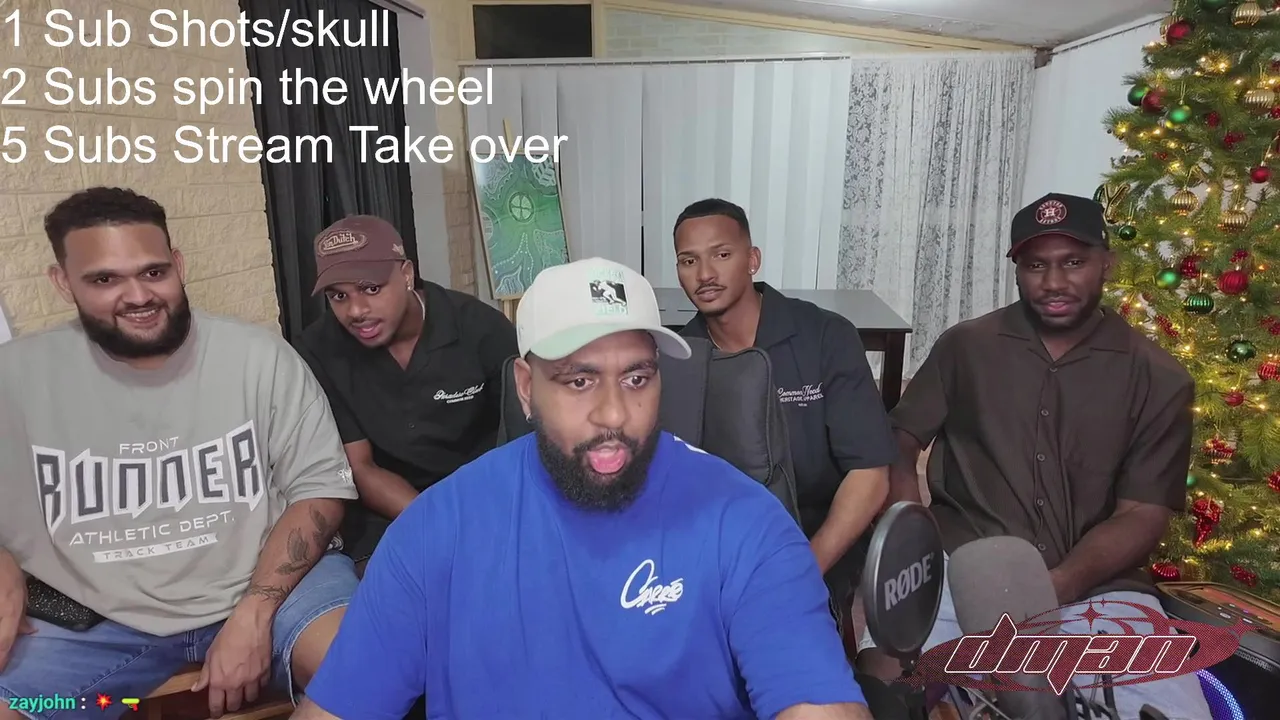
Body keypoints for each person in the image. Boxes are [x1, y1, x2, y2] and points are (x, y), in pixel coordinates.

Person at [291, 257, 873, 720]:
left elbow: (816, 700)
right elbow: (341, 706)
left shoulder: (745, 523)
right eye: (578, 381)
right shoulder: (438, 528)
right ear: (526, 388)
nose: (613, 414)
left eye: (637, 378)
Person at [0, 187, 360, 720]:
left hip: (273, 584)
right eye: (104, 280)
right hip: (97, 616)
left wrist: (255, 611)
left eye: (153, 272)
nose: (138, 296)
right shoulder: (15, 378)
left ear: (178, 265)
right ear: (62, 282)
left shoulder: (257, 356)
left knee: (367, 676)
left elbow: (320, 488)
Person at [856, 194, 1213, 720]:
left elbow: (1143, 512)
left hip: (1098, 591)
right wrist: (912, 534)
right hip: (960, 568)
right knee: (878, 694)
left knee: (1173, 711)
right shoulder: (966, 347)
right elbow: (900, 438)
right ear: (1019, 271)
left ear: (1107, 263)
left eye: (1074, 262)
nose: (1054, 282)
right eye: (1036, 266)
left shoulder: (1158, 377)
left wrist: (1055, 586)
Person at [673, 198, 895, 631]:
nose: (705, 274)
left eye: (722, 254)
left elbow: (870, 473)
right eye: (688, 260)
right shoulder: (682, 356)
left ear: (752, 259)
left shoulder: (825, 335)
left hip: (816, 537)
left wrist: (805, 568)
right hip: (721, 549)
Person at [295, 215, 517, 564]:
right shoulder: (319, 349)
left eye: (372, 288)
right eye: (338, 296)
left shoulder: (481, 329)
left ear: (407, 274)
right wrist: (441, 527)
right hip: (388, 515)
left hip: (485, 500)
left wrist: (484, 524)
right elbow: (360, 466)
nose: (356, 310)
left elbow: (524, 439)